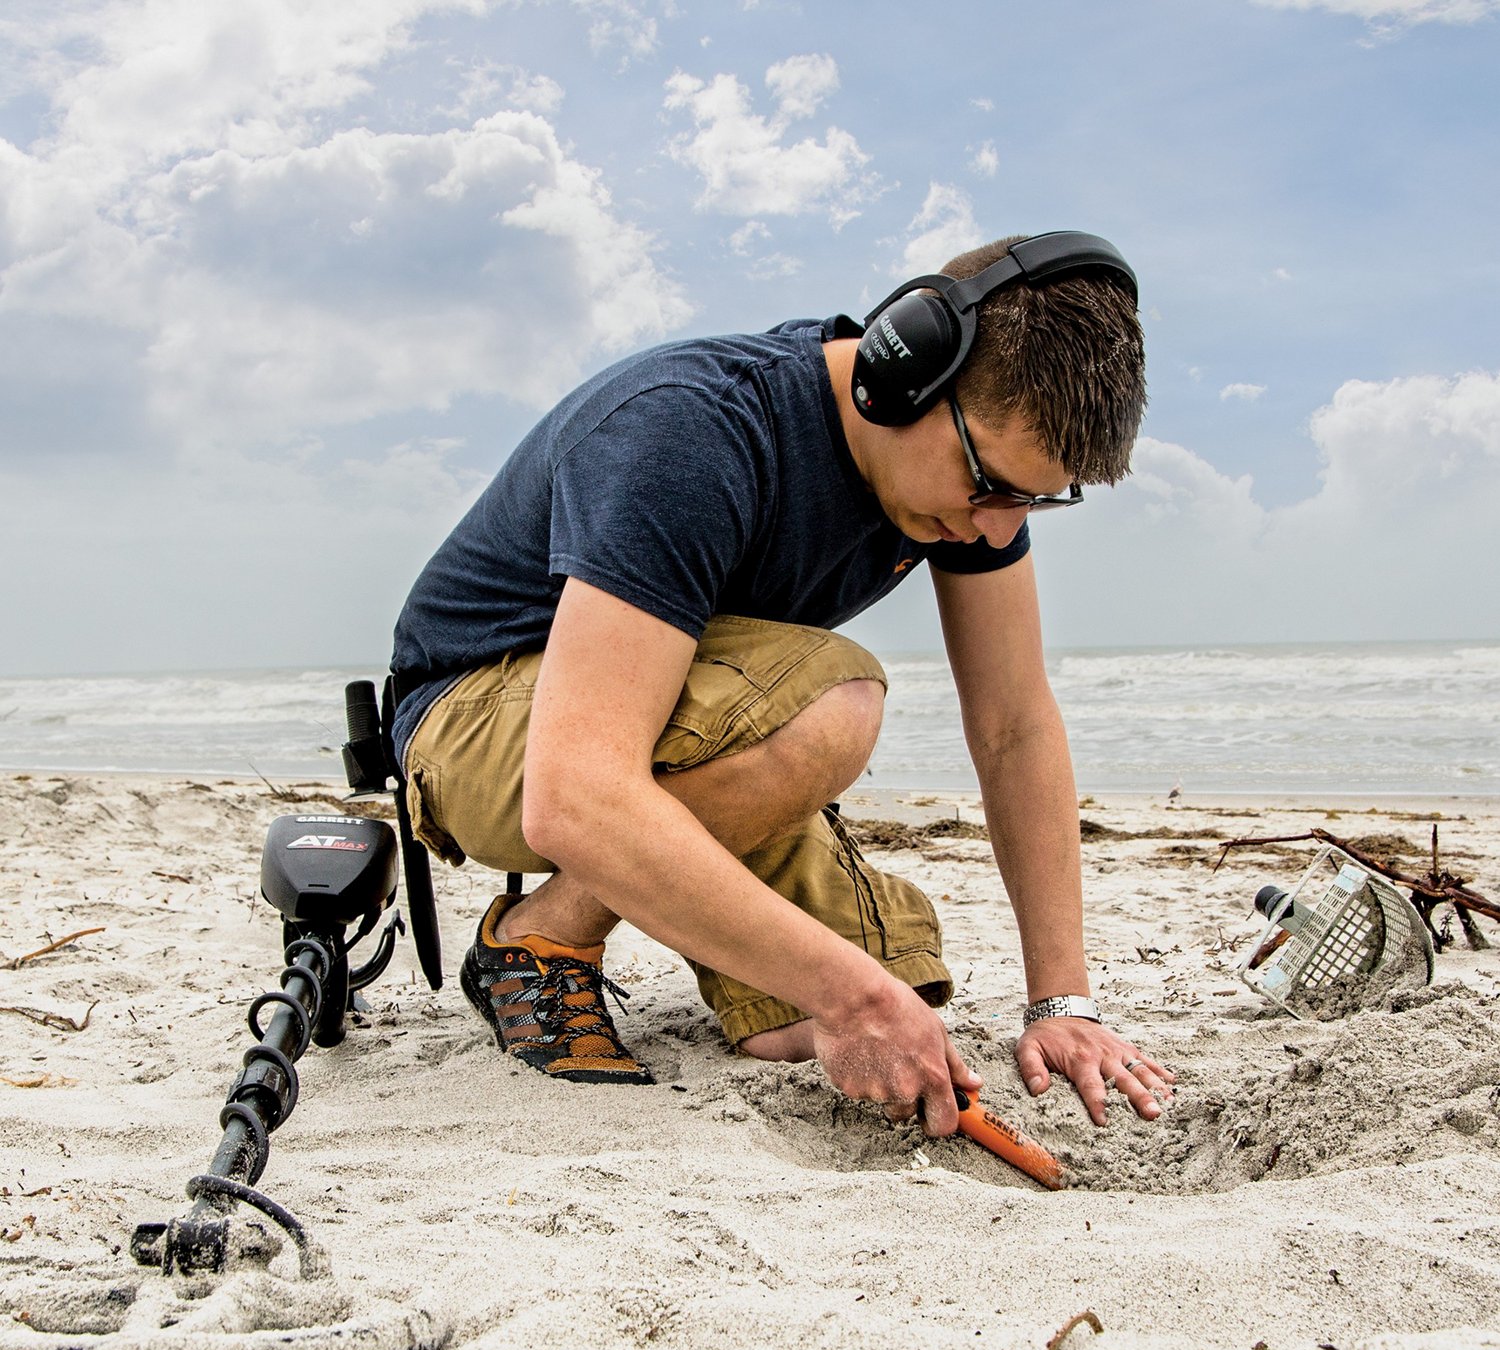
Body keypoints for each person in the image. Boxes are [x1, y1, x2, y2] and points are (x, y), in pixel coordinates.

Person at [389, 230, 1174, 1138]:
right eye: (991, 484)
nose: (1000, 531)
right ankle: (541, 936)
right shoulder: (690, 433)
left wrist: (1060, 1001)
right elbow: (573, 798)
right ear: (903, 372)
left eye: (1036, 501)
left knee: (864, 1008)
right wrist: (853, 997)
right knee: (834, 705)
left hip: (682, 713)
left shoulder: (968, 500)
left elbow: (1014, 725)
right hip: (476, 721)